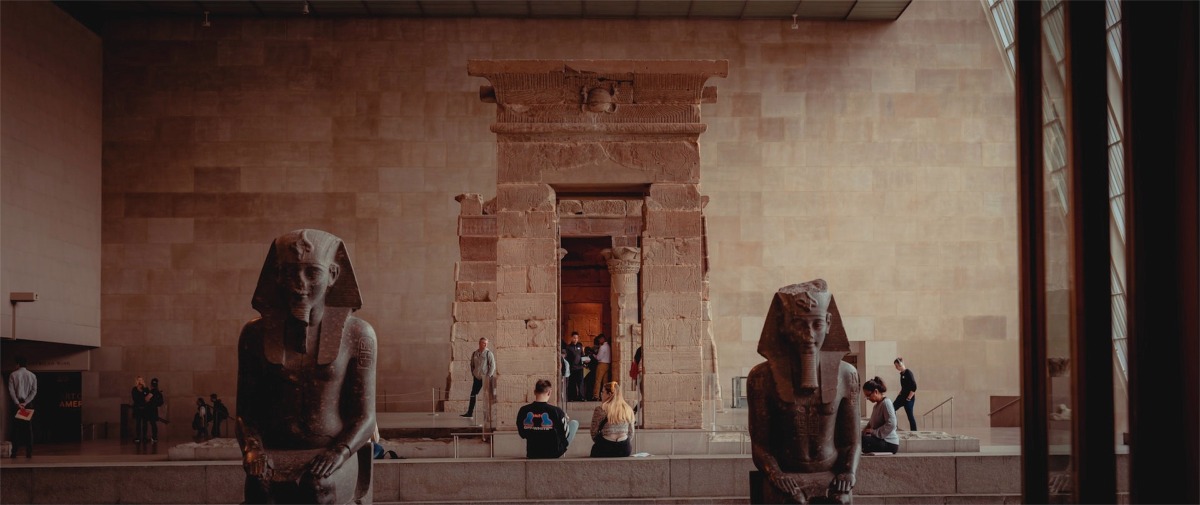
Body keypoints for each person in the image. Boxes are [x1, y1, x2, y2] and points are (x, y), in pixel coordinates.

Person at [235, 229, 377, 505]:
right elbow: (246, 413)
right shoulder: (254, 334)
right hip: (275, 451)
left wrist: (339, 452)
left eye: (312, 273)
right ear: (278, 276)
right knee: (259, 487)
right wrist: (253, 449)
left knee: (316, 487)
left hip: (333, 452)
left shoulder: (359, 334)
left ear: (333, 275)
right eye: (290, 273)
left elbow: (365, 417)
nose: (299, 284)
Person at [748, 280, 859, 504]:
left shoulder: (847, 374)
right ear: (784, 325)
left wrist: (848, 472)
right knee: (794, 501)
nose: (808, 335)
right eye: (799, 324)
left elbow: (852, 441)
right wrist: (775, 474)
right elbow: (760, 445)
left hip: (830, 473)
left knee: (840, 500)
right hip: (786, 474)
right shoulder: (762, 377)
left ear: (829, 323)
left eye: (817, 324)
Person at [516, 379, 578, 459]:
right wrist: (564, 420)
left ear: (534, 392)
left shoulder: (524, 410)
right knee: (574, 423)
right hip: (554, 452)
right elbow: (565, 434)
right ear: (549, 392)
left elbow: (522, 434)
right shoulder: (557, 411)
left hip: (533, 453)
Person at [589, 381, 635, 457]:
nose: (601, 394)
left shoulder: (600, 409)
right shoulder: (628, 409)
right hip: (624, 448)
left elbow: (593, 432)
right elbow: (631, 432)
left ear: (609, 394)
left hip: (606, 446)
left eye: (603, 392)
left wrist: (600, 442)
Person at [7, 356, 37, 459]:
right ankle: (29, 453)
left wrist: (17, 403)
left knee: (16, 429)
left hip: (17, 405)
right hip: (27, 404)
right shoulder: (32, 375)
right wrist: (26, 402)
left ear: (18, 364)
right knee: (28, 429)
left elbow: (11, 391)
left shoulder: (13, 374)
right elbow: (34, 391)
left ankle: (14, 453)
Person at [861, 377, 900, 454]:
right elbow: (870, 424)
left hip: (889, 443)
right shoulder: (876, 406)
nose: (868, 398)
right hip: (880, 440)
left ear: (876, 391)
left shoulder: (886, 403)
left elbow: (892, 424)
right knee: (857, 440)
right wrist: (863, 432)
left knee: (863, 441)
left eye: (868, 395)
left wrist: (874, 432)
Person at [462, 337, 496, 418]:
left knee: (487, 396)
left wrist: (488, 376)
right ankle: (469, 413)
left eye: (486, 343)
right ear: (480, 343)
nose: (486, 345)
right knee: (473, 394)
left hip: (486, 378)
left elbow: (493, 366)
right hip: (477, 378)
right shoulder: (474, 353)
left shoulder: (489, 353)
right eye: (484, 343)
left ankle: (489, 415)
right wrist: (473, 374)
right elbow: (472, 365)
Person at [893, 357, 918, 431]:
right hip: (902, 397)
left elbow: (914, 387)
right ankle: (894, 427)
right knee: (891, 409)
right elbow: (904, 386)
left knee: (910, 416)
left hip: (908, 398)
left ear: (900, 364)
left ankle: (914, 432)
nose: (896, 367)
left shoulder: (908, 373)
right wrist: (900, 393)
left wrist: (909, 398)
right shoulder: (902, 374)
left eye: (896, 365)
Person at [564, 332, 585, 401]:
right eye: (574, 338)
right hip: (572, 368)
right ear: (571, 338)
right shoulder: (568, 347)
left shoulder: (580, 346)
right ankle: (572, 397)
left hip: (580, 367)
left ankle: (581, 397)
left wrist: (585, 361)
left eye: (577, 338)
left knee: (580, 382)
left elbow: (582, 355)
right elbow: (567, 357)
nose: (575, 339)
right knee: (572, 383)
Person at [591, 334, 612, 401]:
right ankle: (606, 395)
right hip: (608, 364)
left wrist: (593, 355)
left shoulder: (602, 347)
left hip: (602, 364)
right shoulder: (609, 346)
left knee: (598, 380)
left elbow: (598, 357)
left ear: (602, 339)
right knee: (605, 382)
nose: (599, 341)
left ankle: (596, 396)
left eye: (599, 340)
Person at [144, 378, 164, 443]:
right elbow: (161, 402)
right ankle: (154, 437)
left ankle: (146, 437)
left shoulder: (152, 392)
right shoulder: (158, 392)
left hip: (149, 409)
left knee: (147, 423)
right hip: (154, 409)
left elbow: (146, 399)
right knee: (153, 423)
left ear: (151, 385)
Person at [131, 376, 148, 443]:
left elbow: (147, 398)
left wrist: (142, 394)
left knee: (145, 423)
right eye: (138, 380)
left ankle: (144, 437)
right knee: (138, 423)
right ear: (136, 381)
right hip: (137, 409)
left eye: (141, 380)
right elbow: (135, 398)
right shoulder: (134, 389)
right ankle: (138, 437)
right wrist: (142, 395)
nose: (140, 381)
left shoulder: (146, 389)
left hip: (145, 409)